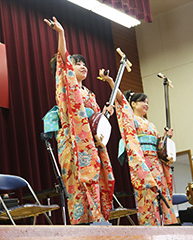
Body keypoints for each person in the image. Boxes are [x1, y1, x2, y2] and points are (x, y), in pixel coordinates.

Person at [43, 17, 115, 224]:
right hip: (73, 141)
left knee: (100, 179)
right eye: (77, 63)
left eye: (84, 63)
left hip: (92, 143)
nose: (83, 66)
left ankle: (99, 217)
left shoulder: (90, 94)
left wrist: (105, 113)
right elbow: (62, 62)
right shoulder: (66, 86)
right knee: (79, 181)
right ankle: (83, 223)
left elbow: (95, 122)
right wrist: (61, 34)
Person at [99, 70, 177, 225]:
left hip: (156, 164)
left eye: (147, 102)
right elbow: (121, 103)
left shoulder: (151, 125)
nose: (146, 104)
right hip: (143, 162)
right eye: (143, 101)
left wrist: (165, 138)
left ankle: (166, 227)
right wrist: (110, 81)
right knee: (147, 195)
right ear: (133, 104)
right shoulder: (132, 119)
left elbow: (158, 147)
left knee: (162, 195)